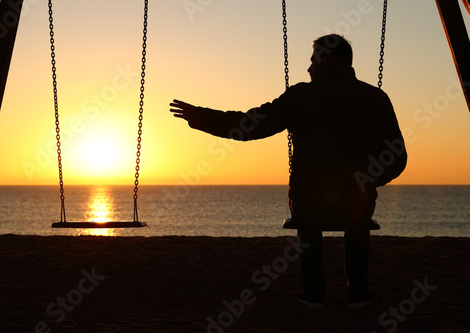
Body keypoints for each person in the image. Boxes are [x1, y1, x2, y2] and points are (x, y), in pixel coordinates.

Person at [170, 34, 407, 310]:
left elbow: (249, 125)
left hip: (310, 202)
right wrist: (369, 180)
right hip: (356, 201)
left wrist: (200, 117)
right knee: (357, 207)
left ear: (327, 60)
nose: (308, 68)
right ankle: (358, 292)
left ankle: (313, 294)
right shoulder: (376, 98)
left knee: (308, 206)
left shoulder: (301, 97)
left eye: (312, 60)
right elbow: (397, 157)